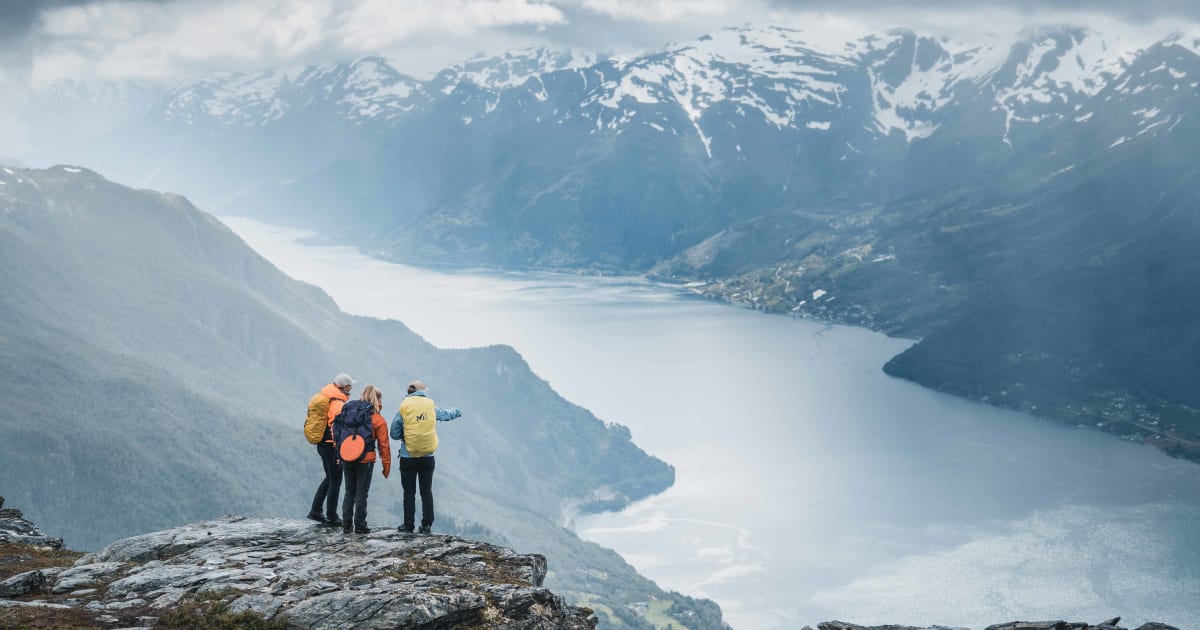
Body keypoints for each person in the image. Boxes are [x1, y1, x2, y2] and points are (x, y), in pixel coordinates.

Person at [391, 380, 461, 534]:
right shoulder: (430, 405)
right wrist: (458, 410)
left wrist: (407, 434)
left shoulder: (404, 407)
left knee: (409, 492)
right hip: (427, 457)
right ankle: (427, 525)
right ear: (423, 391)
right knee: (426, 491)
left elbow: (394, 434)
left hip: (407, 456)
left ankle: (408, 525)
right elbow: (447, 415)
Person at [336, 385, 391, 534]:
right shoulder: (377, 419)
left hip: (347, 456)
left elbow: (338, 432)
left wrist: (339, 455)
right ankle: (360, 525)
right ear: (377, 400)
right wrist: (386, 466)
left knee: (349, 492)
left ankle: (346, 526)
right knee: (361, 493)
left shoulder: (349, 413)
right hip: (365, 459)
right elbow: (383, 445)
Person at [306, 373, 353, 526]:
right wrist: (339, 449)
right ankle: (332, 516)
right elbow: (336, 426)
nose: (351, 389)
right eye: (350, 386)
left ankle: (316, 510)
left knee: (330, 477)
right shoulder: (337, 403)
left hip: (322, 444)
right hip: (331, 446)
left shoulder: (327, 396)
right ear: (344, 387)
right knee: (336, 481)